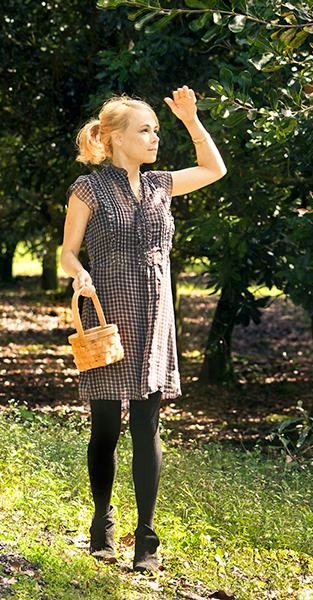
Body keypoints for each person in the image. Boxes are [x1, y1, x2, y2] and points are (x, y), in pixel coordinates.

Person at [60, 86, 226, 571]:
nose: (155, 138)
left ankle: (146, 538)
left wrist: (191, 120)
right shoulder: (87, 189)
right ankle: (102, 522)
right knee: (106, 427)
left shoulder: (161, 185)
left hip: (155, 314)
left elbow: (214, 169)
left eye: (156, 130)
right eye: (145, 131)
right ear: (114, 138)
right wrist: (79, 273)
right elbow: (68, 251)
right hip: (108, 316)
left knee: (147, 425)